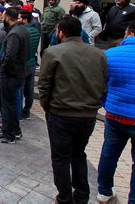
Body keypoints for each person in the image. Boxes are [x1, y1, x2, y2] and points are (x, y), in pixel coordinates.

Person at [38, 16, 107, 204]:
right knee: (79, 154)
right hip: (87, 115)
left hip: (61, 114)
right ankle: (82, 195)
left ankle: (65, 197)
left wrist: (48, 107)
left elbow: (44, 85)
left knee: (61, 158)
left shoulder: (53, 53)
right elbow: (103, 84)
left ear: (61, 32)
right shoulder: (98, 54)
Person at [97, 21, 135, 204]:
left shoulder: (110, 55)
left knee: (108, 155)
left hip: (115, 114)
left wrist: (107, 103)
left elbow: (101, 86)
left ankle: (104, 192)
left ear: (129, 33)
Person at [0, 7, 29, 143]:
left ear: (8, 18)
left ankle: (8, 134)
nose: (2, 18)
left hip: (10, 75)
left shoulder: (14, 34)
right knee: (12, 104)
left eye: (3, 16)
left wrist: (3, 69)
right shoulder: (22, 30)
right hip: (17, 73)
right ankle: (15, 130)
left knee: (8, 105)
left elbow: (9, 56)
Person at [17, 10, 40, 120]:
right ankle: (27, 111)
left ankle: (20, 112)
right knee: (29, 89)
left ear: (25, 20)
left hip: (23, 63)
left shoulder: (22, 31)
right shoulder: (35, 31)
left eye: (19, 18)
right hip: (32, 63)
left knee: (20, 89)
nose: (18, 20)